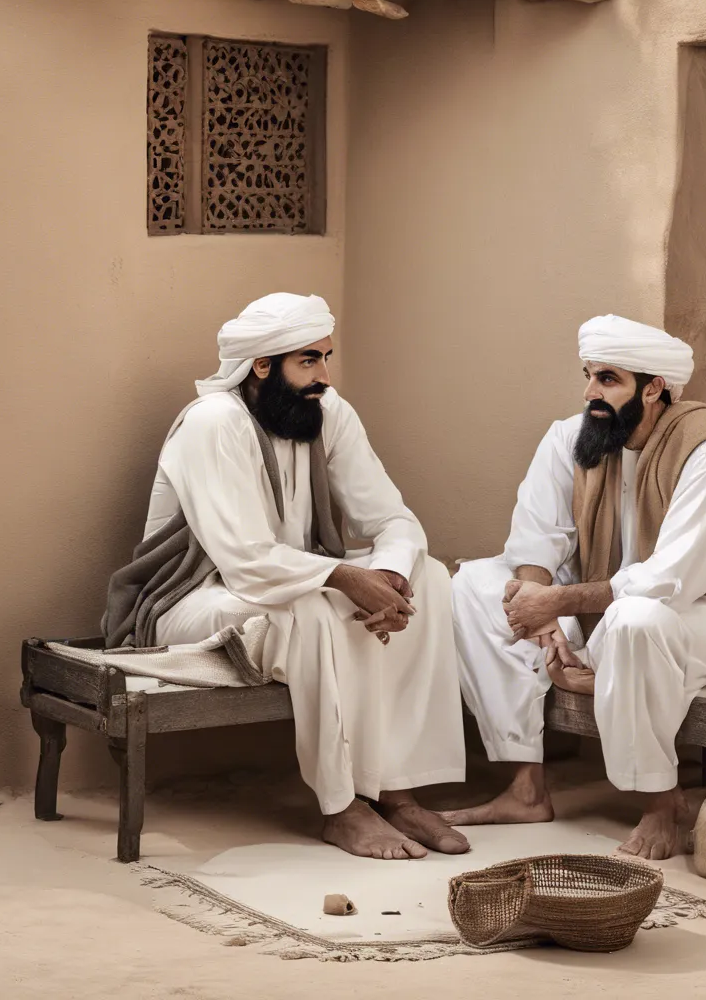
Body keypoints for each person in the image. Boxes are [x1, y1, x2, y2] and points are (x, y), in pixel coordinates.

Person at [104, 293, 468, 860]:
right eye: (309, 361)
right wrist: (345, 577)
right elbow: (245, 559)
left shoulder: (328, 411)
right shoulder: (213, 422)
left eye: (326, 357)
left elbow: (392, 518)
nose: (324, 375)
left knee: (433, 580)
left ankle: (397, 793)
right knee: (315, 608)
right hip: (192, 599)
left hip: (293, 583)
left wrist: (391, 576)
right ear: (262, 367)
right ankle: (342, 809)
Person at [447, 314, 706, 859]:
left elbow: (670, 582)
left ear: (654, 389)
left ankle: (662, 804)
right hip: (604, 603)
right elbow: (535, 543)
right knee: (473, 582)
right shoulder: (574, 435)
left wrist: (558, 603)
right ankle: (526, 787)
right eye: (588, 376)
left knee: (635, 623)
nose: (591, 392)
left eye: (608, 379)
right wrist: (541, 611)